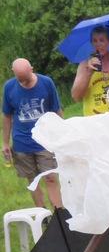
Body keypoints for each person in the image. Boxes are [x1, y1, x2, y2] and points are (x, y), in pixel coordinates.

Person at [2, 58, 63, 208]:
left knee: (50, 177)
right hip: (22, 142)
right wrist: (5, 143)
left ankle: (59, 215)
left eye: (26, 78)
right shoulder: (9, 87)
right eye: (20, 79)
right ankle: (42, 215)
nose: (23, 83)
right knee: (32, 180)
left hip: (45, 140)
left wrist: (62, 134)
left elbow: (56, 109)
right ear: (13, 73)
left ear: (32, 69)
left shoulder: (46, 83)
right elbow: (7, 115)